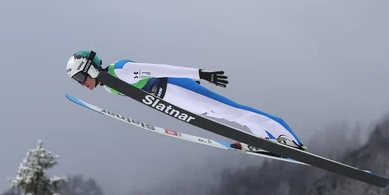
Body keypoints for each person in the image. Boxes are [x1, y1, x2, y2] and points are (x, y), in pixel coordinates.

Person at [66, 50, 306, 150]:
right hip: (177, 101)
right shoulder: (111, 88)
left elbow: (159, 68)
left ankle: (289, 139)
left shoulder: (122, 70)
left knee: (233, 111)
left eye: (80, 76)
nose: (82, 83)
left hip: (177, 88)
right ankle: (265, 141)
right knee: (226, 115)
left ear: (90, 68)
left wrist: (200, 73)